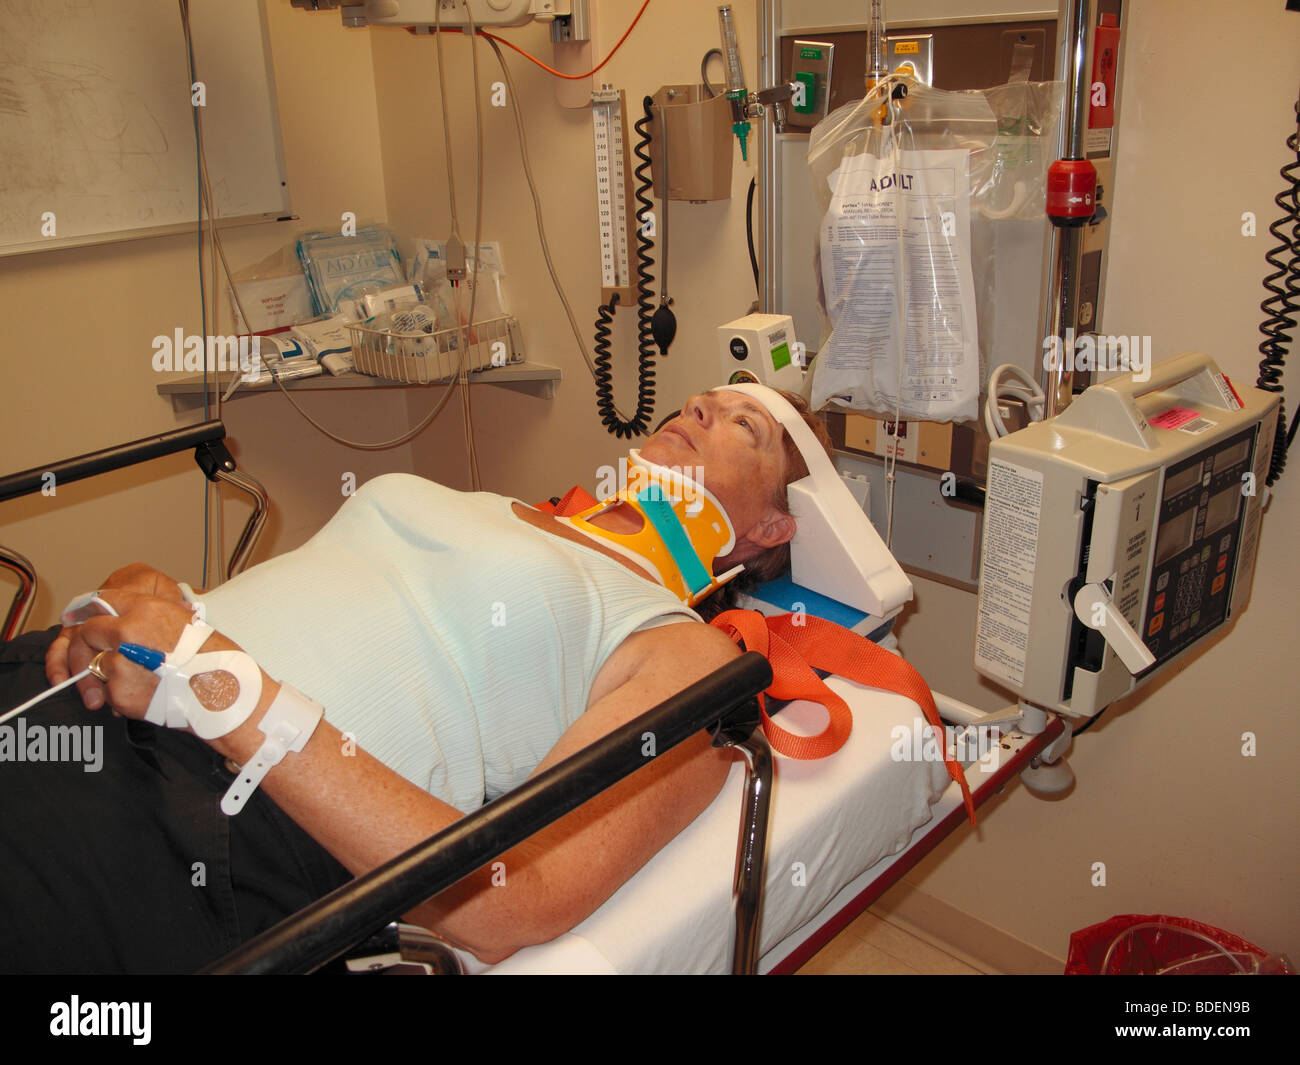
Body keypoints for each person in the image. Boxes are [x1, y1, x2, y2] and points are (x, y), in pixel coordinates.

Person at [0, 388, 832, 972]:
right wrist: (155, 597)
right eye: (702, 398)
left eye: (742, 425)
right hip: (87, 682)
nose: (700, 408)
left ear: (770, 526)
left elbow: (511, 901)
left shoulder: (688, 652)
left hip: (203, 813)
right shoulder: (500, 505)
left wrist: (221, 687)